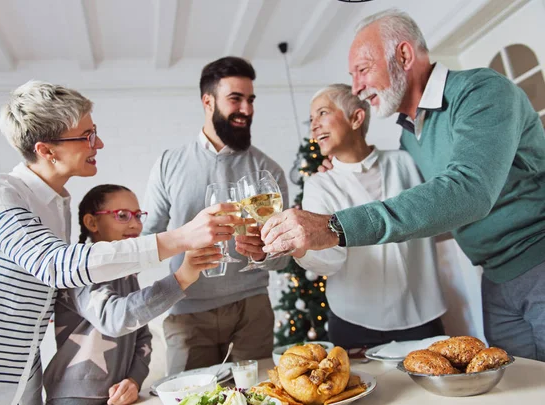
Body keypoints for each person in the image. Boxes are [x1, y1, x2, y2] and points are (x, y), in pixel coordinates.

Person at [261, 9, 545, 361]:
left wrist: (335, 226)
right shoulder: (411, 138)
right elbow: (428, 208)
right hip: (495, 278)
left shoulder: (481, 91)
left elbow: (468, 191)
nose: (357, 88)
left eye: (363, 70)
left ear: (404, 55)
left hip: (538, 263)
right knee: (522, 390)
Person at [0, 80, 246, 404]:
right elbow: (56, 265)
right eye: (86, 136)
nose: (98, 143)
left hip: (21, 382)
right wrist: (181, 237)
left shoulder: (56, 206)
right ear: (46, 150)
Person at [142, 56, 289, 374]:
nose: (246, 110)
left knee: (255, 397)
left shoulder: (269, 171)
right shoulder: (170, 164)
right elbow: (146, 240)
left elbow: (284, 257)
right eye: (235, 99)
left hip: (253, 310)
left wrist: (265, 253)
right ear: (207, 101)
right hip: (188, 312)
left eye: (250, 100)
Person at [297, 83, 445, 349]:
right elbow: (329, 262)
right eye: (311, 119)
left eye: (322, 113)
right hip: (354, 322)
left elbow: (443, 212)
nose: (313, 127)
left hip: (421, 313)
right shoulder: (319, 184)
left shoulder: (405, 162)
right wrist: (302, 246)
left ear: (356, 117)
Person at [43, 185, 221, 405]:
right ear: (92, 222)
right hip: (74, 396)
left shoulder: (126, 273)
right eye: (122, 216)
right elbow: (115, 319)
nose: (135, 224)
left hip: (116, 396)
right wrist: (180, 279)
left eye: (138, 215)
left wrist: (134, 381)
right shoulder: (79, 270)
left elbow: (142, 337)